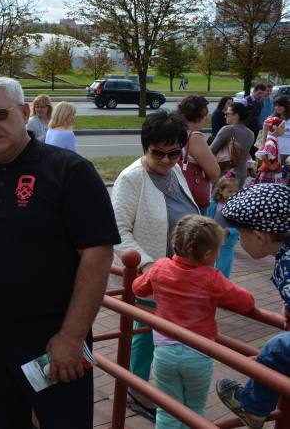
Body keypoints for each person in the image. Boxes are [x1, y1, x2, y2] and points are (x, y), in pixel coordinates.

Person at [0, 76, 121, 428]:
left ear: (25, 112)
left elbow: (98, 255)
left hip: (54, 346)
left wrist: (72, 337)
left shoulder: (70, 171)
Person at [111, 110, 200, 418]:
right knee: (144, 333)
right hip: (153, 273)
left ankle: (153, 387)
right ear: (145, 147)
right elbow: (118, 230)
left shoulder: (174, 170)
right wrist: (148, 266)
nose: (166, 160)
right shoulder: (132, 178)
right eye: (157, 153)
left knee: (162, 333)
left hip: (179, 272)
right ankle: (135, 390)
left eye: (174, 153)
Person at [133, 214, 255, 429]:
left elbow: (138, 288)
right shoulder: (211, 277)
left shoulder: (161, 267)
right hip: (198, 353)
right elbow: (246, 303)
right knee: (194, 410)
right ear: (208, 254)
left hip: (164, 352)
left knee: (167, 408)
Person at [216, 183, 290, 429]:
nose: (238, 240)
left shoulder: (287, 266)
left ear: (260, 236)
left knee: (274, 350)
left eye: (240, 234)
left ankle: (252, 408)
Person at [178, 95, 221, 210]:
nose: (206, 119)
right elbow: (214, 172)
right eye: (205, 115)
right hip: (192, 200)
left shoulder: (175, 131)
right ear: (198, 116)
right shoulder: (194, 137)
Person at [210, 101, 255, 188]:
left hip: (225, 174)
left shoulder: (227, 129)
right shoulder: (250, 133)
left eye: (227, 114)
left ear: (236, 116)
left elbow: (211, 151)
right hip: (241, 174)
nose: (225, 116)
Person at [207, 173, 240, 278]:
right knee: (208, 263)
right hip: (212, 239)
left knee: (224, 266)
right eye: (230, 191)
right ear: (220, 190)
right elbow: (207, 218)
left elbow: (239, 224)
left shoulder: (237, 206)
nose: (233, 194)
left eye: (235, 191)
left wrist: (228, 230)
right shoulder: (213, 204)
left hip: (227, 242)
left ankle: (223, 283)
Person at [255, 116, 285, 184]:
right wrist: (270, 165)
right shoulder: (270, 142)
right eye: (282, 127)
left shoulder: (272, 141)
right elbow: (263, 155)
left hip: (272, 172)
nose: (284, 129)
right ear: (275, 127)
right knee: (267, 188)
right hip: (269, 173)